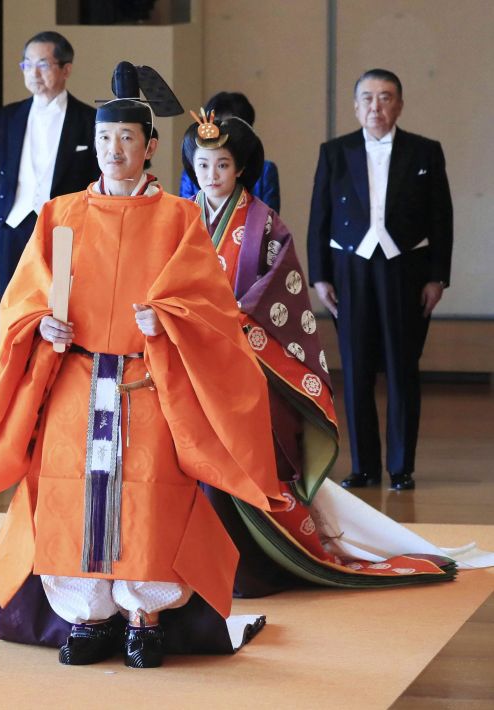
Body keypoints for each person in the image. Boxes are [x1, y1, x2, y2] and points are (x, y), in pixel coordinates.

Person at [0, 62, 286, 669]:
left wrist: (171, 320)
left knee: (151, 496)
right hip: (75, 375)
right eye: (105, 139)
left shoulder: (180, 220)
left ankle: (144, 614)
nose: (113, 150)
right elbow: (24, 298)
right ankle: (86, 614)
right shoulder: (60, 215)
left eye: (127, 139)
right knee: (67, 493)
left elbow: (211, 307)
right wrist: (39, 325)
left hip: (146, 377)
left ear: (150, 146)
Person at [181, 112, 456, 594]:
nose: (211, 175)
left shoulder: (264, 223)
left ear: (240, 168)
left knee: (248, 457)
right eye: (202, 165)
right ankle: (193, 561)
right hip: (190, 360)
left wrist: (232, 323)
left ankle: (255, 562)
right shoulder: (180, 218)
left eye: (221, 165)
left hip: (248, 361)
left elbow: (280, 291)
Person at [307, 69, 453, 492]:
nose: (377, 106)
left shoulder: (426, 152)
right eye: (368, 98)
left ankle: (402, 467)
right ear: (355, 106)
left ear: (399, 105)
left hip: (405, 268)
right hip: (350, 269)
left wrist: (437, 277)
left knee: (403, 369)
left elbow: (442, 220)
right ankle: (365, 467)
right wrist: (320, 276)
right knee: (354, 371)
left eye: (386, 97)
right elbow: (320, 216)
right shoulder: (335, 152)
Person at [0, 30, 100, 296]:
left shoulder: (88, 120)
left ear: (66, 69)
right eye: (27, 64)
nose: (33, 73)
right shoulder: (6, 118)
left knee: (59, 315)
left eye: (43, 65)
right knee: (13, 318)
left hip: (64, 234)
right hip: (12, 229)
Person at [178, 91, 280, 212]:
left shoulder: (266, 170)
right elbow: (185, 212)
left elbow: (270, 218)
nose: (220, 132)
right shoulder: (194, 171)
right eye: (203, 165)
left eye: (223, 165)